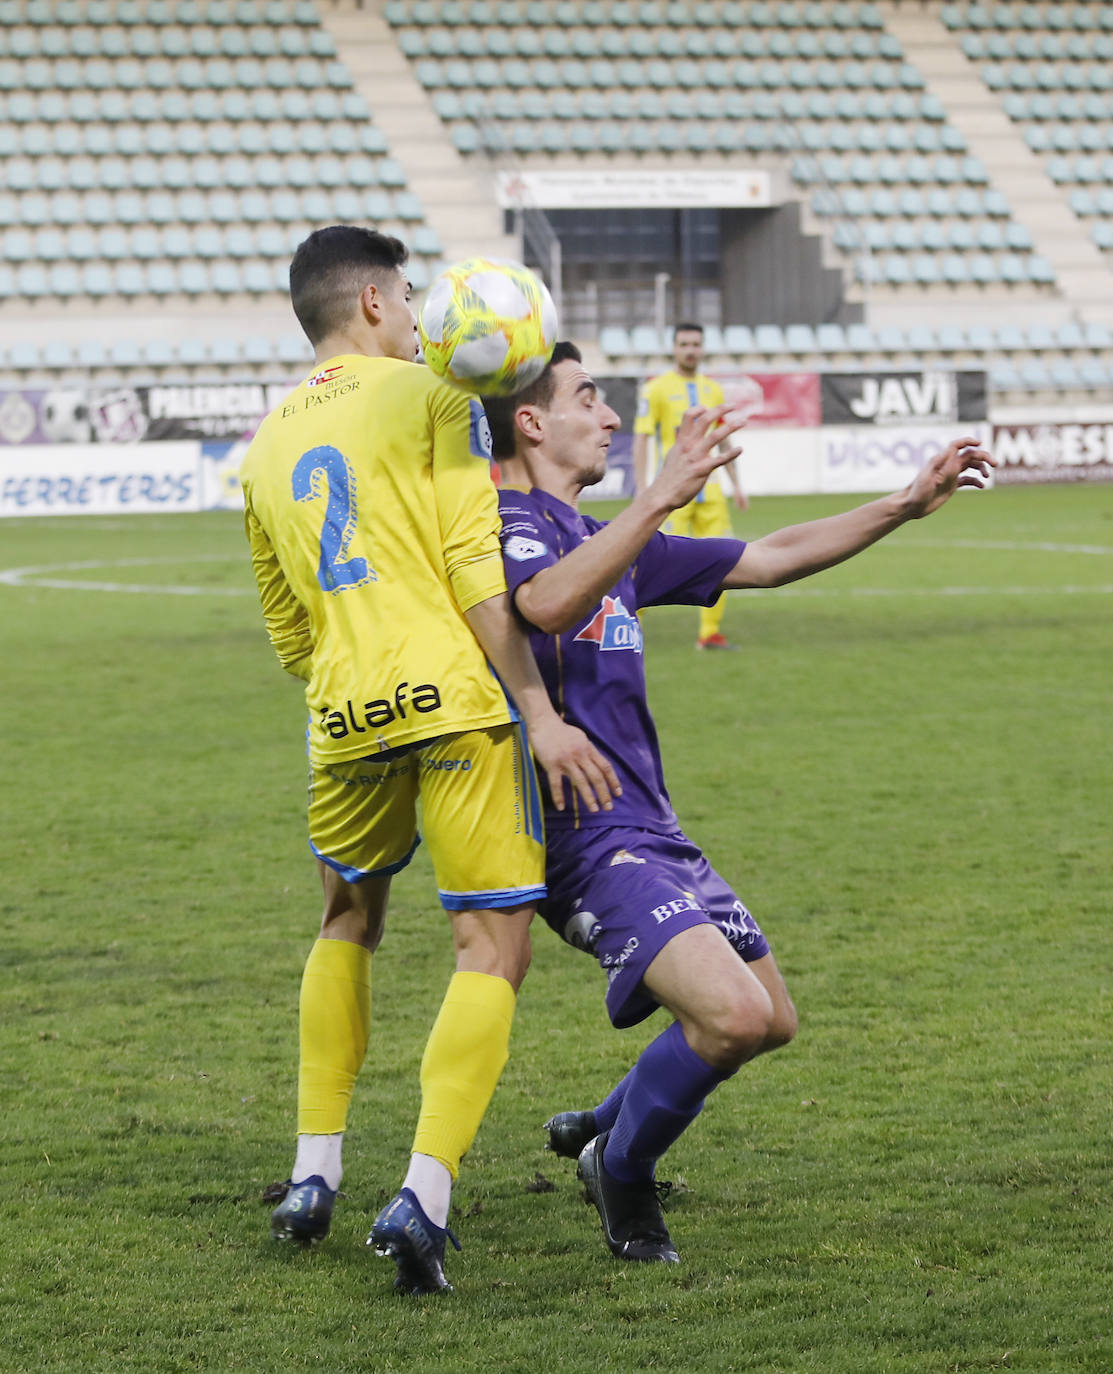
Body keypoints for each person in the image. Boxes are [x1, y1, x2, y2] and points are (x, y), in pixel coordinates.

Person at [483, 343, 993, 1265]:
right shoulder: (501, 522)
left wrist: (902, 507)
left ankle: (605, 1122)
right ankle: (622, 1173)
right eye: (589, 398)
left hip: (651, 826)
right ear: (530, 421)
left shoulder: (614, 540)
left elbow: (770, 555)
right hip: (579, 833)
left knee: (770, 1017)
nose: (607, 417)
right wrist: (655, 499)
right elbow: (546, 604)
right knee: (733, 1018)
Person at [240, 230, 618, 1296]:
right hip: (455, 705)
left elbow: (287, 632)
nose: (420, 317)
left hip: (343, 716)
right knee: (489, 949)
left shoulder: (265, 444)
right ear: (368, 302)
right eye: (407, 297)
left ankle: (314, 1173)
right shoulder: (436, 399)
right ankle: (423, 1193)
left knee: (345, 920)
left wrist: (355, 673)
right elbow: (474, 570)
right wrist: (538, 712)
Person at [632, 322, 748, 651]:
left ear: (703, 347)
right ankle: (624, 626)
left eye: (695, 344)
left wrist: (737, 484)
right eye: (684, 343)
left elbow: (724, 440)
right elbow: (641, 438)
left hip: (710, 493)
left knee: (726, 558)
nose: (690, 350)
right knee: (652, 560)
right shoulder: (655, 389)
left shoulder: (713, 389)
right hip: (672, 492)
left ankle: (709, 634)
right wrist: (641, 487)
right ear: (674, 348)